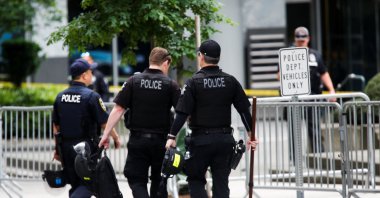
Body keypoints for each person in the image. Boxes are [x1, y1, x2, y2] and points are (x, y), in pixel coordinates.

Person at [165, 40, 258, 198]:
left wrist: (172, 136)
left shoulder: (193, 82)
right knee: (221, 182)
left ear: (201, 57)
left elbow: (182, 112)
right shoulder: (230, 81)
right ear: (218, 58)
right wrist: (252, 134)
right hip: (224, 141)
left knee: (195, 180)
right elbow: (244, 110)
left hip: (200, 141)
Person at [98, 47, 180, 198]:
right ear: (166, 63)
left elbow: (117, 110)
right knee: (159, 180)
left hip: (138, 141)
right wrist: (173, 136)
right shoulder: (171, 85)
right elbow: (181, 113)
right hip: (161, 142)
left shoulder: (133, 81)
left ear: (150, 61)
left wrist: (106, 135)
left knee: (137, 180)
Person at [52, 59, 121, 198]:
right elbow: (104, 122)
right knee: (89, 184)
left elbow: (56, 127)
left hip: (65, 147)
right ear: (84, 76)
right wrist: (115, 137)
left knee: (75, 184)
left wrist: (57, 149)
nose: (92, 75)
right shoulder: (91, 96)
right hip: (85, 148)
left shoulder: (60, 96)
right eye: (90, 72)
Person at [290, 26, 336, 154]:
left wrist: (331, 90)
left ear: (308, 39)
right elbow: (279, 74)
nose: (301, 41)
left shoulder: (315, 55)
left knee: (314, 127)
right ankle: (294, 159)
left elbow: (324, 73)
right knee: (295, 129)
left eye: (303, 39)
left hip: (313, 96)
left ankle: (318, 156)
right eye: (298, 39)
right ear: (295, 39)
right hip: (294, 98)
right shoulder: (288, 55)